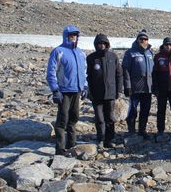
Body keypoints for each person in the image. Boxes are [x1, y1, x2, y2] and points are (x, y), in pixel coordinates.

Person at [47, 25, 88, 155]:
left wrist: (85, 86)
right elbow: (51, 72)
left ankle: (72, 143)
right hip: (63, 90)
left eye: (75, 35)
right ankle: (60, 148)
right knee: (62, 119)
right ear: (66, 36)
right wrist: (55, 90)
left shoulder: (80, 53)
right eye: (71, 35)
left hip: (76, 89)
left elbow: (84, 71)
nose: (73, 37)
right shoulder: (58, 51)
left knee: (74, 117)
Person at [86, 34, 123, 148]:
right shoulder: (91, 58)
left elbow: (119, 74)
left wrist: (119, 90)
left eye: (104, 43)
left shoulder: (113, 57)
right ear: (96, 45)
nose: (101, 45)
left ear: (107, 44)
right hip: (96, 94)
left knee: (110, 118)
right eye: (99, 43)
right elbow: (87, 76)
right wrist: (89, 92)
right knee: (99, 118)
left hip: (110, 93)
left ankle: (109, 139)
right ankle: (100, 139)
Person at [122, 29, 154, 139]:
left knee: (145, 110)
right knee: (133, 110)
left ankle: (142, 130)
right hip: (135, 87)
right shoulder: (130, 52)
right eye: (141, 39)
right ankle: (131, 130)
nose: (143, 41)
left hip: (147, 88)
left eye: (145, 39)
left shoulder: (150, 53)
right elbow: (125, 70)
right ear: (137, 40)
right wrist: (127, 86)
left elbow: (153, 71)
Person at [153, 37, 171, 137]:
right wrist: (155, 88)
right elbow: (154, 74)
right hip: (162, 89)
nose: (168, 46)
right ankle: (160, 130)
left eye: (170, 45)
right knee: (161, 110)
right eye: (166, 45)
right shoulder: (158, 57)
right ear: (163, 45)